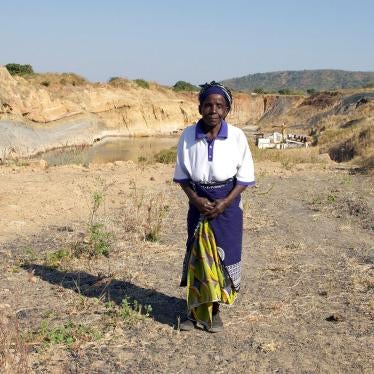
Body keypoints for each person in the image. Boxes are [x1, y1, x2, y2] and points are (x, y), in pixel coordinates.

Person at [173, 81, 255, 332]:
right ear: (199, 108)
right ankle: (193, 312)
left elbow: (245, 176)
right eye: (208, 104)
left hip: (227, 206)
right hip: (198, 203)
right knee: (199, 258)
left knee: (221, 260)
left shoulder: (237, 137)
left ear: (227, 110)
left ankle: (214, 313)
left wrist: (225, 202)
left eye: (220, 105)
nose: (213, 110)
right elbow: (182, 176)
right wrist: (196, 200)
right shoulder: (188, 136)